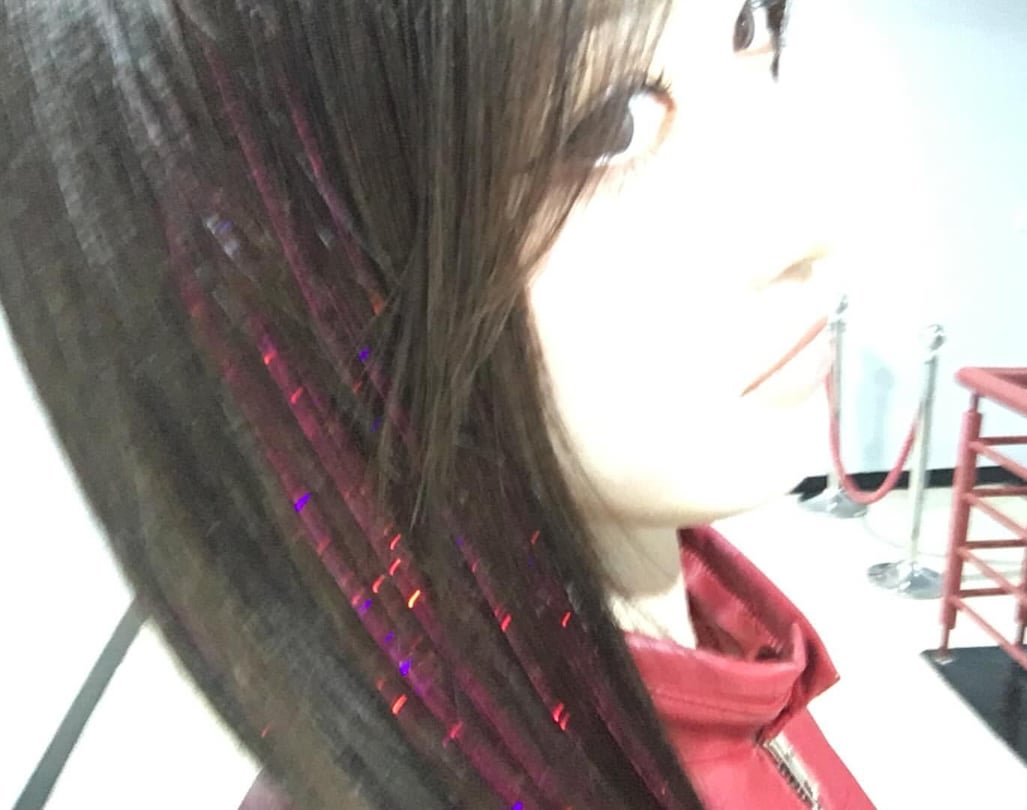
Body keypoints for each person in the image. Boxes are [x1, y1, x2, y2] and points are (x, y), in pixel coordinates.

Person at [0, 0, 872, 807]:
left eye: (748, 25)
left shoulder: (718, 643)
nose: (814, 219)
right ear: (299, 274)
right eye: (612, 124)